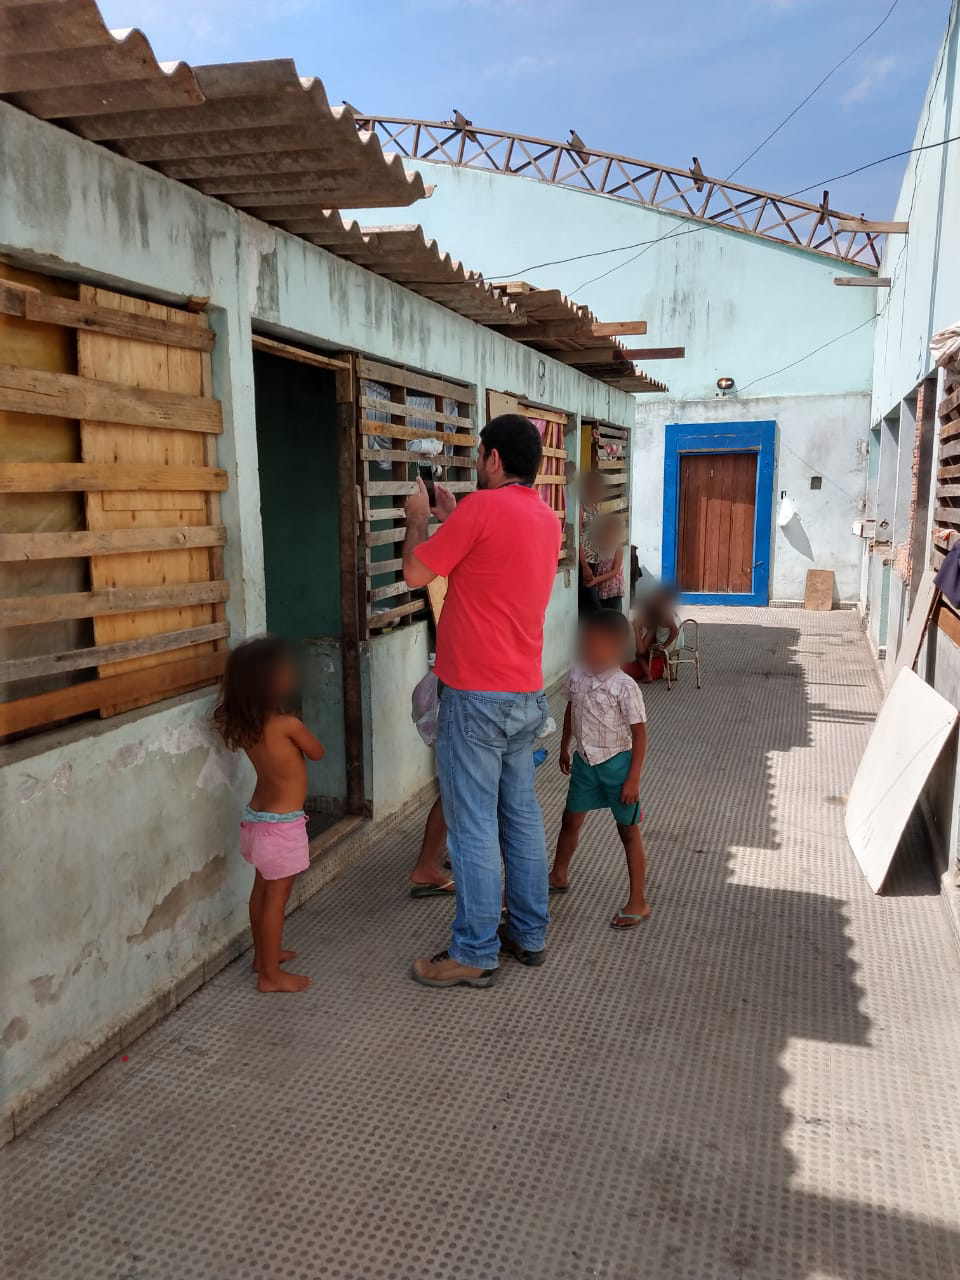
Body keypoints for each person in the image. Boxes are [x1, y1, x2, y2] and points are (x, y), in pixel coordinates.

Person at [401, 414, 561, 988]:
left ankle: (473, 951)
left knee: (471, 828)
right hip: (525, 693)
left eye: (480, 455)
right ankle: (529, 933)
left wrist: (419, 521)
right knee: (519, 816)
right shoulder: (547, 520)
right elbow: (493, 556)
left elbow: (416, 572)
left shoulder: (479, 511)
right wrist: (452, 517)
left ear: (492, 459)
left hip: (475, 697)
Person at [212, 636, 324, 993]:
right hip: (283, 827)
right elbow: (317, 752)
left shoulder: (250, 725)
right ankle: (270, 976)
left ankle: (264, 957)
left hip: (257, 820)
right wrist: (297, 723)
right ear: (270, 680)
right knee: (276, 899)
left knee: (261, 893)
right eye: (285, 668)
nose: (292, 672)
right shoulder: (286, 725)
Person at [549, 610, 650, 928]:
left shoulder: (625, 687)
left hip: (617, 767)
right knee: (569, 821)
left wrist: (633, 778)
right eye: (586, 644)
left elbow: (639, 735)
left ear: (618, 649)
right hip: (584, 763)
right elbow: (570, 709)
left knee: (628, 832)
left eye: (598, 646)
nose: (590, 651)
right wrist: (565, 744)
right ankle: (558, 874)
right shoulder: (577, 674)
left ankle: (638, 900)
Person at [627, 586, 680, 683]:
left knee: (638, 655)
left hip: (663, 652)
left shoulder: (655, 626)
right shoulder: (670, 613)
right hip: (673, 647)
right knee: (663, 651)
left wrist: (636, 629)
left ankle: (648, 675)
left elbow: (641, 650)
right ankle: (671, 673)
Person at [578, 469, 605, 617]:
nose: (599, 491)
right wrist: (584, 566)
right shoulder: (580, 509)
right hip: (584, 563)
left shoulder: (594, 508)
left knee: (586, 608)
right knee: (594, 609)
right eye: (596, 487)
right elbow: (578, 538)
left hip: (593, 562)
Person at [591, 512, 626, 612]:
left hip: (613, 590)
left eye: (612, 532)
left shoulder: (618, 549)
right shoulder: (599, 550)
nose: (608, 535)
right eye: (606, 532)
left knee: (614, 615)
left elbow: (614, 572)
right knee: (603, 613)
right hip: (602, 589)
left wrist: (596, 580)